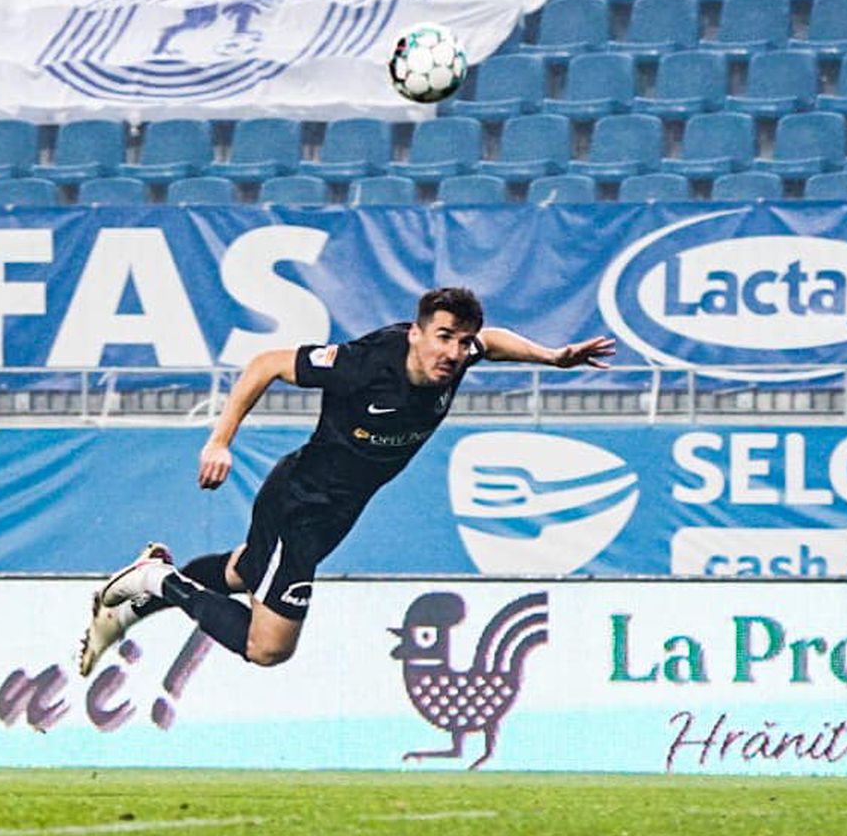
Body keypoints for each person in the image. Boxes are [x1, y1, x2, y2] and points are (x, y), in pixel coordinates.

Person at [78, 286, 614, 676]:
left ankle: (127, 611)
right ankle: (155, 580)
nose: (452, 352)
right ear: (416, 332)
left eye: (461, 341)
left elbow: (492, 342)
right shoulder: (362, 365)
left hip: (339, 509)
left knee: (242, 571)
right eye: (443, 337)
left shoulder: (460, 355)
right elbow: (266, 363)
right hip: (302, 505)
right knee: (268, 648)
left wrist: (551, 356)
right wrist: (219, 441)